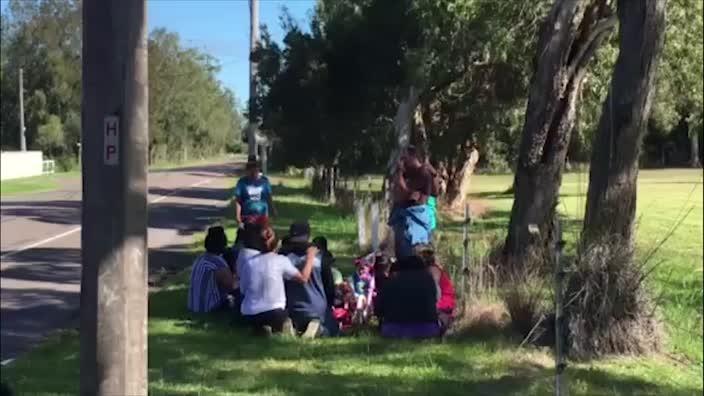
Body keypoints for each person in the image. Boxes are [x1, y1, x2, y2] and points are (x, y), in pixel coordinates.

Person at [237, 223, 318, 336]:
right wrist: (310, 257)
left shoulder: (249, 263)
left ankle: (262, 329)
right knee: (283, 318)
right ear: (277, 244)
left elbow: (243, 290)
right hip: (275, 312)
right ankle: (280, 328)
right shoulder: (281, 261)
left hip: (250, 314)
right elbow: (303, 278)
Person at [280, 221, 338, 338]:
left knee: (295, 322)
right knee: (332, 330)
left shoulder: (282, 256)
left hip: (291, 307)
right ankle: (319, 328)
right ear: (307, 235)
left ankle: (292, 325)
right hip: (316, 309)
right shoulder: (321, 257)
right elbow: (329, 287)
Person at [377, 254, 441, 339]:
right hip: (427, 330)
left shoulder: (390, 280)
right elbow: (436, 299)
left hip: (392, 330)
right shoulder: (428, 279)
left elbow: (379, 308)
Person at [388, 146, 434, 258]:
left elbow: (405, 193)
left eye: (404, 157)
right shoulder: (407, 173)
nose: (402, 161)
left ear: (413, 157)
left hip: (415, 219)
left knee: (412, 253)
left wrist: (399, 173)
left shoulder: (423, 173)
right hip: (403, 217)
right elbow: (395, 191)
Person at [188, 226, 236, 313]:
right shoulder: (218, 263)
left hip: (194, 306)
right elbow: (231, 286)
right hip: (209, 308)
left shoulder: (200, 258)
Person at [415, 244, 456, 334]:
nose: (424, 257)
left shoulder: (433, 270)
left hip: (443, 302)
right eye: (422, 254)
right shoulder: (426, 270)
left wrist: (433, 307)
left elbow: (437, 290)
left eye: (427, 254)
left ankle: (441, 323)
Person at [234, 155, 275, 227]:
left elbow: (269, 197)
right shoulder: (242, 182)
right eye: (250, 170)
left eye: (255, 169)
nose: (252, 172)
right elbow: (238, 201)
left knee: (264, 235)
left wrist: (273, 209)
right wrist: (238, 216)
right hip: (247, 216)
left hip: (262, 215)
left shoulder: (264, 181)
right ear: (247, 171)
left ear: (258, 170)